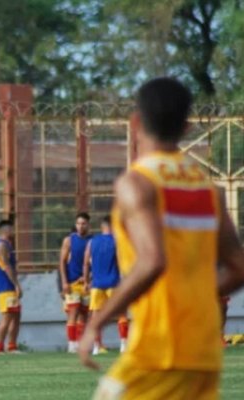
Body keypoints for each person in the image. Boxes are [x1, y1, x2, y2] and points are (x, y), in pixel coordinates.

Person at [78, 77, 244, 399]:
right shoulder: (208, 189)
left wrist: (98, 319)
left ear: (135, 122)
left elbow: (152, 260)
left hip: (159, 345)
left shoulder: (137, 183)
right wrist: (194, 294)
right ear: (186, 128)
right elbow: (238, 267)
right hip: (204, 349)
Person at [83, 215, 128, 355]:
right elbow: (122, 261)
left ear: (102, 227)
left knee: (95, 316)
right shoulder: (117, 241)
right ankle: (123, 345)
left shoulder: (92, 242)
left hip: (96, 284)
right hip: (113, 283)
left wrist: (86, 281)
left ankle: (96, 347)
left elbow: (85, 263)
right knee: (121, 314)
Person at [59, 212, 92, 353]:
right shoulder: (69, 240)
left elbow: (95, 263)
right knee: (73, 312)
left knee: (84, 314)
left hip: (86, 283)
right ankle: (71, 344)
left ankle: (81, 344)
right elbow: (62, 262)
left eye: (83, 223)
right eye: (78, 223)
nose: (80, 226)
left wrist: (88, 277)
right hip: (72, 283)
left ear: (88, 225)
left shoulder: (92, 241)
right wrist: (64, 282)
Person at [0, 219, 22, 353]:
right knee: (7, 317)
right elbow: (6, 267)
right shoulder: (1, 246)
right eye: (12, 229)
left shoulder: (7, 245)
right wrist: (16, 284)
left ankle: (12, 346)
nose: (14, 231)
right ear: (7, 230)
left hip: (8, 287)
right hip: (5, 287)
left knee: (15, 316)